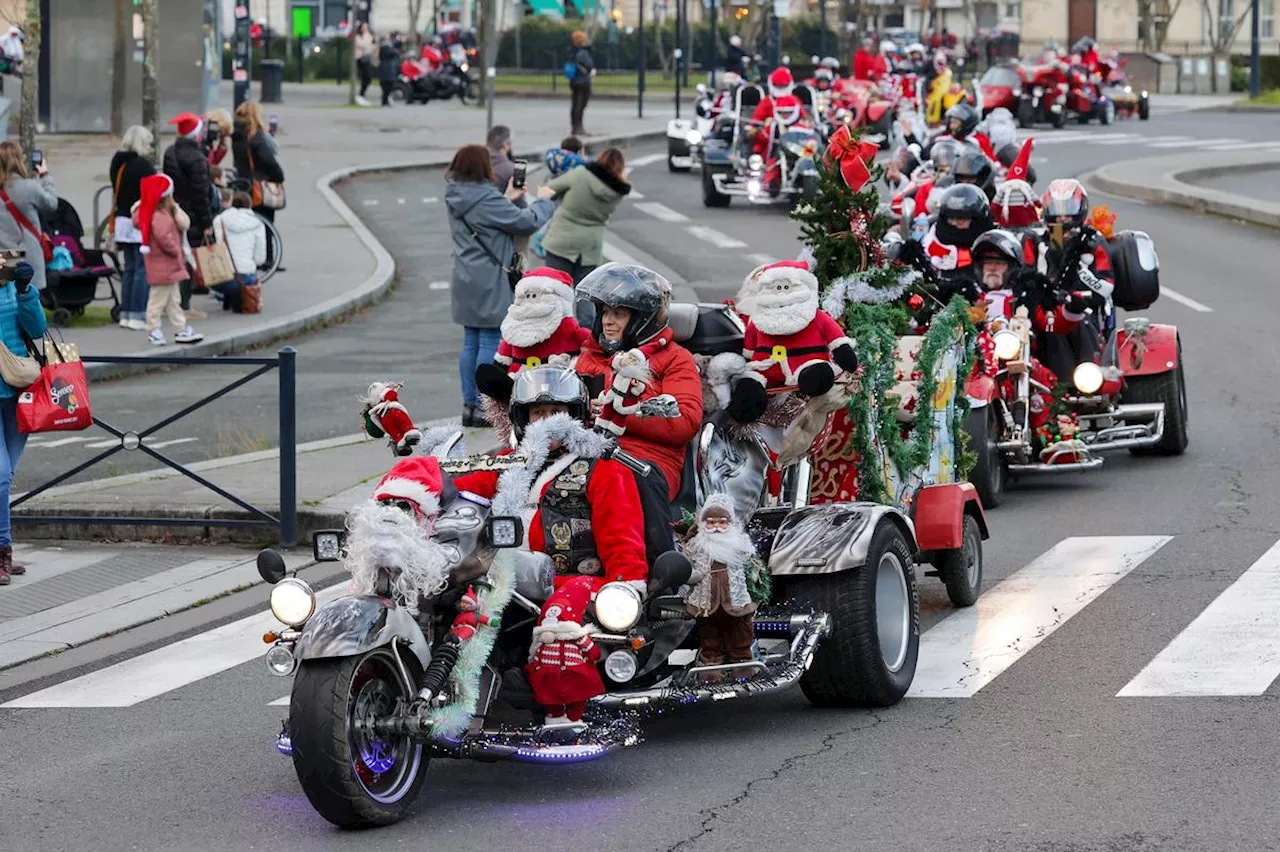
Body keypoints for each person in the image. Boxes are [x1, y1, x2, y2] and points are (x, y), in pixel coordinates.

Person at [450, 366, 650, 593]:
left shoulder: (604, 469)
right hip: (501, 583)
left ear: (574, 415)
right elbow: (459, 489)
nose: (547, 422)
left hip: (571, 588)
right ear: (524, 419)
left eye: (556, 412)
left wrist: (625, 588)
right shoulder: (509, 461)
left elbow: (621, 540)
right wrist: (418, 484)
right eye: (538, 413)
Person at [574, 263, 703, 506]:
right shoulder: (591, 355)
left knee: (611, 485)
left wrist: (620, 411)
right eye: (604, 312)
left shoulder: (676, 358)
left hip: (648, 460)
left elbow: (686, 421)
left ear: (643, 319)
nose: (607, 322)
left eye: (618, 314)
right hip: (587, 451)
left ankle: (652, 545)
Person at [445, 144, 556, 427]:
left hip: (464, 276)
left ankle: (469, 406)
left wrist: (506, 198)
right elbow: (526, 221)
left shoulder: (456, 194)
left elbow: (486, 220)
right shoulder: (485, 199)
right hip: (490, 279)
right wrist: (543, 200)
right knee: (489, 340)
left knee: (470, 340)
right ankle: (484, 408)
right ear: (483, 168)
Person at [0, 258, 45, 585]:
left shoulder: (14, 291)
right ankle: (3, 550)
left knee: (6, 475)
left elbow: (37, 329)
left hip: (17, 394)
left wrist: (25, 290)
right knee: (0, 476)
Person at [541, 147, 631, 284]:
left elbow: (548, 189)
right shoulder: (617, 192)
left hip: (561, 239)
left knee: (555, 291)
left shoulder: (581, 174)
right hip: (590, 248)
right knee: (585, 294)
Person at [132, 174, 202, 345]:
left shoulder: (151, 213)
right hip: (165, 263)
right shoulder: (161, 216)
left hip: (163, 264)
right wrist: (175, 249)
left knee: (172, 300)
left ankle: (180, 328)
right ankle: (154, 329)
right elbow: (164, 237)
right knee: (158, 300)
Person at [109, 126, 157, 330]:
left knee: (129, 269)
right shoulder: (143, 166)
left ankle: (126, 314)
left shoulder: (118, 162)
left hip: (122, 220)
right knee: (141, 269)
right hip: (138, 221)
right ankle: (138, 314)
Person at [232, 101, 284, 273]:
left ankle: (250, 256)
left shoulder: (237, 135)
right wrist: (278, 177)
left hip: (242, 181)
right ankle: (268, 259)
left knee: (248, 221)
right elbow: (268, 160)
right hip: (259, 184)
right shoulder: (256, 136)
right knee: (266, 222)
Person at [0, 141, 55, 295]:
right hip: (29, 254)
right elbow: (52, 203)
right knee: (28, 300)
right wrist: (44, 176)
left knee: (5, 302)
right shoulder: (29, 187)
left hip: (3, 256)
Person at [211, 191, 266, 313]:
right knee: (248, 274)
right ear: (249, 205)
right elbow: (260, 258)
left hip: (220, 277)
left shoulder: (219, 220)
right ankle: (241, 298)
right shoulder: (258, 224)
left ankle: (227, 296)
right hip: (245, 277)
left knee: (229, 268)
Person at [568, 30, 596, 136]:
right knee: (581, 105)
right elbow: (589, 65)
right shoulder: (583, 53)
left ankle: (574, 127)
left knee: (575, 104)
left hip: (574, 81)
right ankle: (579, 127)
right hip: (583, 81)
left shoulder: (572, 52)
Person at [354, 22, 376, 104]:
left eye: (366, 27)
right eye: (364, 27)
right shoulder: (358, 37)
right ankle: (361, 95)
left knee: (368, 77)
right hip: (360, 58)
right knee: (365, 76)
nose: (365, 28)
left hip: (367, 58)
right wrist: (368, 42)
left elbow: (372, 46)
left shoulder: (369, 36)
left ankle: (362, 94)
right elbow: (363, 45)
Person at [377, 35, 401, 106]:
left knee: (388, 85)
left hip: (388, 70)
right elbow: (394, 52)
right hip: (387, 70)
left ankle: (385, 100)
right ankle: (384, 100)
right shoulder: (385, 48)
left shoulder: (388, 47)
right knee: (387, 85)